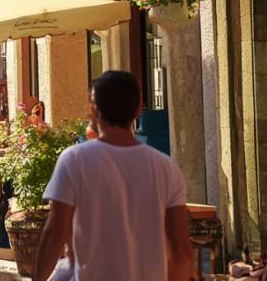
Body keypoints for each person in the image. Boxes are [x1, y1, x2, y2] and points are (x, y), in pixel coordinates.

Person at [33, 71, 192, 281]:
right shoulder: (166, 168)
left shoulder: (75, 160)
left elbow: (55, 234)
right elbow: (181, 253)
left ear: (93, 110)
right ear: (138, 109)